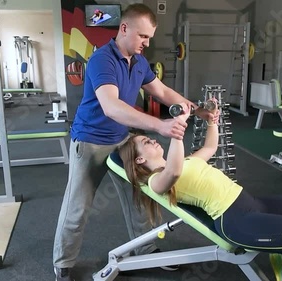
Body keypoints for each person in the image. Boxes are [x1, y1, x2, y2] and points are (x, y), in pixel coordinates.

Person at [53, 4, 212, 281]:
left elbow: (162, 91)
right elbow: (111, 107)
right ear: (124, 29)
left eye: (149, 37)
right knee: (78, 207)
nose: (146, 43)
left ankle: (146, 248)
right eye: (143, 36)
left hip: (122, 139)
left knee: (143, 195)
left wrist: (197, 109)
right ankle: (63, 263)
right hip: (90, 141)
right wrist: (160, 125)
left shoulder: (138, 62)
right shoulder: (103, 60)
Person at [118, 101, 282, 281]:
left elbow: (210, 148)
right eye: (146, 141)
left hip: (253, 204)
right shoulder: (156, 181)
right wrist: (177, 129)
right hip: (236, 221)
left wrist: (212, 120)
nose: (154, 139)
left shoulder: (185, 161)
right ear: (140, 159)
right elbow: (173, 172)